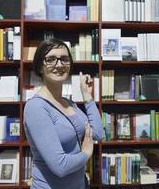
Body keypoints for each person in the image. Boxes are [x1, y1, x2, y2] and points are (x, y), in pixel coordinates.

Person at [24, 38, 104, 189]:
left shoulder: (69, 103)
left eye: (64, 59)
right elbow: (60, 166)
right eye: (51, 59)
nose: (59, 64)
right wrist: (86, 154)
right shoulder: (36, 107)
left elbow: (98, 134)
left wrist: (87, 96)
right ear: (40, 66)